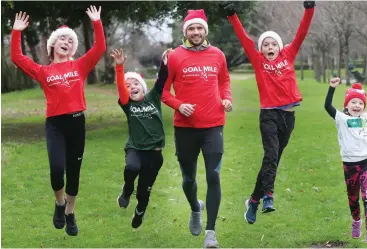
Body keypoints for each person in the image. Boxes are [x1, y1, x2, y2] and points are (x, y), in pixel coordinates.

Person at [10, 6, 106, 236]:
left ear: (72, 47)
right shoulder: (43, 71)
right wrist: (16, 31)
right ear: (53, 45)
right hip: (55, 125)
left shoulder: (79, 66)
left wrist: (96, 22)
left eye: (69, 39)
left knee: (74, 172)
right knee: (56, 169)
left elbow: (100, 48)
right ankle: (60, 203)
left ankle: (70, 213)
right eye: (61, 38)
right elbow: (17, 57)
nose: (66, 41)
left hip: (76, 124)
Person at [220, 1, 315, 224]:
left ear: (280, 47)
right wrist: (233, 16)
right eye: (266, 45)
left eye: (273, 44)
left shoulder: (288, 55)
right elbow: (244, 38)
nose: (269, 47)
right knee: (271, 156)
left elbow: (302, 32)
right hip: (269, 115)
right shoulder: (258, 61)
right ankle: (268, 197)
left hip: (289, 116)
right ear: (261, 49)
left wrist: (309, 9)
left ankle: (253, 200)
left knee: (272, 160)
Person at [161, 9, 232, 248]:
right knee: (188, 178)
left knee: (213, 175)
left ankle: (211, 233)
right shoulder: (174, 57)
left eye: (199, 28)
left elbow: (224, 81)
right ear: (185, 32)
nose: (196, 32)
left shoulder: (218, 55)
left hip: (214, 126)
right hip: (185, 129)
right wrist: (179, 105)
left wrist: (227, 98)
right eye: (191, 29)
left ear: (205, 31)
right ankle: (195, 208)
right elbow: (161, 91)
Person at [324, 77, 367, 245]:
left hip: (366, 163)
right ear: (347, 104)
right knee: (353, 198)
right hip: (349, 165)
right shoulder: (340, 118)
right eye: (353, 102)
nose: (357, 106)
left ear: (364, 106)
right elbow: (327, 106)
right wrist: (332, 88)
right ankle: (356, 221)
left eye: (360, 103)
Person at [111, 48, 170, 229]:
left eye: (135, 84)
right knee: (131, 167)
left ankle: (139, 212)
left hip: (154, 154)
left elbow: (161, 80)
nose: (132, 88)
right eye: (128, 86)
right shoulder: (127, 105)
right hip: (135, 148)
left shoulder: (153, 98)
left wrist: (164, 63)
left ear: (142, 86)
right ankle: (127, 188)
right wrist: (119, 68)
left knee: (144, 192)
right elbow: (121, 87)